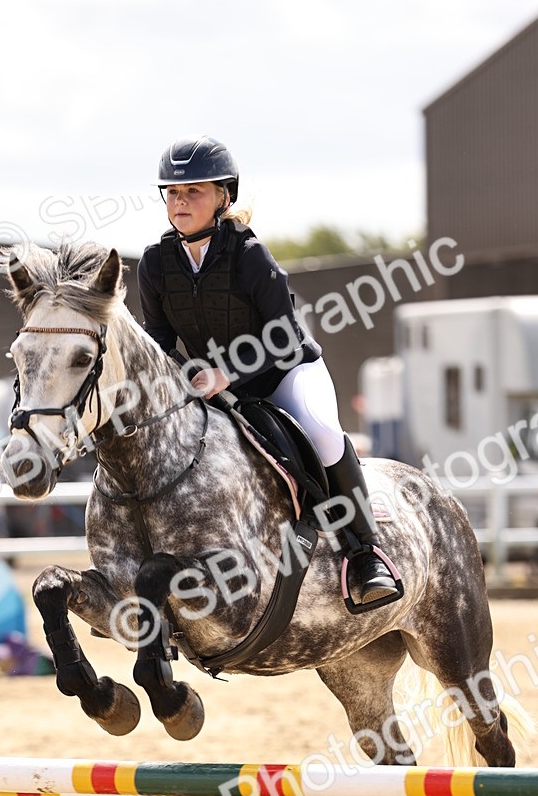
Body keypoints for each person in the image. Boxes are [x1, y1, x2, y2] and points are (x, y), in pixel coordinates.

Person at [137, 135, 400, 607]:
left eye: (194, 191)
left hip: (283, 373)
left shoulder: (249, 254)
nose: (181, 201)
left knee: (321, 433)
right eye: (173, 193)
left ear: (223, 196)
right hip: (211, 387)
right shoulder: (155, 264)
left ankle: (366, 553)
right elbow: (156, 338)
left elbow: (283, 336)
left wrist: (226, 372)